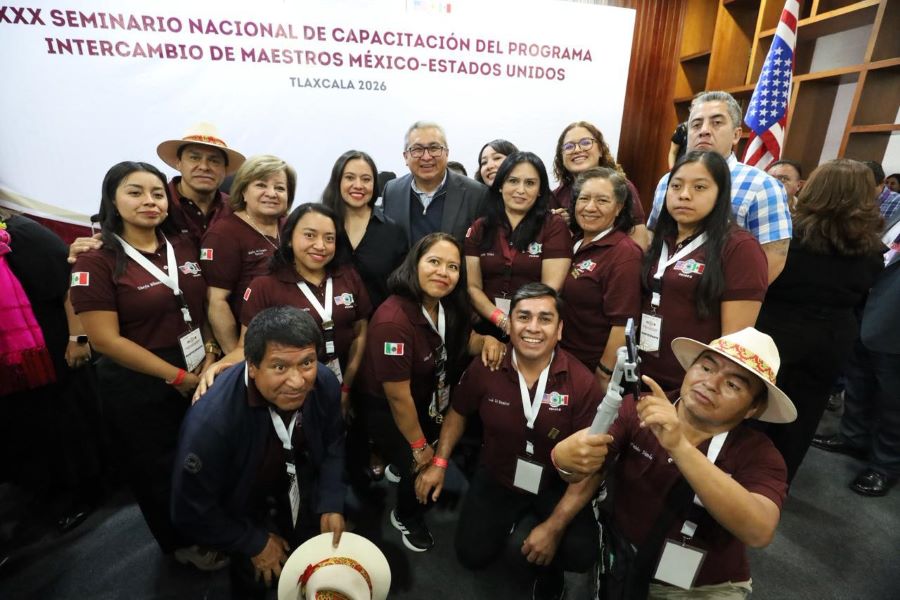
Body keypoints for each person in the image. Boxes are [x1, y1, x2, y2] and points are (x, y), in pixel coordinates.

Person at [553, 328, 798, 598]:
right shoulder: (640, 407)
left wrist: (680, 446)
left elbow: (758, 531)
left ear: (753, 409)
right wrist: (564, 459)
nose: (711, 383)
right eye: (706, 367)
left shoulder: (759, 454)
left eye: (733, 385)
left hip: (700, 584)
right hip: (621, 556)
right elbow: (583, 464)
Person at [69, 162, 220, 567]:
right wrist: (177, 377)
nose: (149, 202)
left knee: (199, 456)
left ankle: (210, 526)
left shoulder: (182, 245)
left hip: (194, 363)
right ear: (113, 200)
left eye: (156, 193)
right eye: (135, 192)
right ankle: (180, 544)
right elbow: (105, 339)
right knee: (158, 468)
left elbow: (200, 305)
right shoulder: (97, 259)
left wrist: (208, 351)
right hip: (137, 379)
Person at [416, 283, 601, 600]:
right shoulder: (486, 367)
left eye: (544, 319)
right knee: (471, 555)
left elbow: (594, 468)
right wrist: (440, 462)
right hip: (498, 474)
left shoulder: (583, 384)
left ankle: (542, 529)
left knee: (579, 553)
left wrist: (554, 527)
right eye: (523, 317)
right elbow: (458, 413)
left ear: (559, 330)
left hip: (556, 482)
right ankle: (518, 518)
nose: (532, 327)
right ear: (508, 324)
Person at [171, 307, 346, 597]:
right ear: (251, 366)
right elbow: (189, 509)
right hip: (240, 502)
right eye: (279, 367)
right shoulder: (210, 425)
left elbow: (334, 443)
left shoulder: (323, 381)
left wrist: (331, 499)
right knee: (258, 579)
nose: (298, 381)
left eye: (307, 362)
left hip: (296, 476)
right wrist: (251, 541)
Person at [357, 233, 504, 552]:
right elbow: (398, 398)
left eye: (453, 266)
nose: (443, 272)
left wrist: (489, 341)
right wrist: (420, 447)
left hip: (429, 395)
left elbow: (467, 341)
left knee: (427, 446)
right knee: (423, 462)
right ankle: (406, 516)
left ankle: (403, 462)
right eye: (434, 262)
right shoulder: (392, 321)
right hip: (389, 406)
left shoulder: (447, 305)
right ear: (415, 264)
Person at [755, 159, 884, 484]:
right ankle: (775, 486)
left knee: (753, 410)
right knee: (803, 418)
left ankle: (734, 484)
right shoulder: (872, 248)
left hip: (776, 335)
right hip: (832, 342)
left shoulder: (789, 239)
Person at [211, 203, 371, 420]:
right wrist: (220, 366)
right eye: (309, 235)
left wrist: (346, 389)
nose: (320, 245)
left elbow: (360, 333)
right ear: (288, 238)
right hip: (289, 389)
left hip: (343, 384)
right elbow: (246, 347)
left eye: (329, 238)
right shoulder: (264, 286)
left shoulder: (348, 276)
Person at [639, 151, 768, 391]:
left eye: (699, 187)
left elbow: (733, 344)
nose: (684, 195)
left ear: (720, 194)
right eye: (676, 186)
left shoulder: (740, 248)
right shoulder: (662, 239)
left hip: (692, 386)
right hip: (642, 373)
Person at [648, 91, 792, 283]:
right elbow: (654, 236)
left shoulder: (762, 185)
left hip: (717, 304)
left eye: (716, 123)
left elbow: (773, 258)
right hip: (662, 296)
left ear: (736, 135)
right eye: (696, 124)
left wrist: (730, 303)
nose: (704, 130)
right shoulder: (667, 182)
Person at [812, 206, 900, 497]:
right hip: (867, 313)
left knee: (893, 402)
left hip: (894, 324)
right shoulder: (896, 218)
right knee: (859, 382)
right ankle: (853, 437)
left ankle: (885, 465)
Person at [66, 122, 246, 261]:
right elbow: (114, 239)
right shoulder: (153, 204)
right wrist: (91, 247)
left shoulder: (238, 208)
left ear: (225, 169)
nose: (204, 167)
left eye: (214, 161)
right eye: (194, 158)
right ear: (179, 163)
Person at [465, 151, 572, 339]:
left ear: (540, 190)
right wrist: (503, 320)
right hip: (487, 325)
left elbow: (550, 289)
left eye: (530, 183)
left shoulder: (553, 226)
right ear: (500, 186)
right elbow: (473, 286)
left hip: (534, 327)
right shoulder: (480, 227)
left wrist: (520, 322)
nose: (520, 190)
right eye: (513, 181)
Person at [202, 155, 297, 354]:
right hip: (253, 344)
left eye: (280, 188)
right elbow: (216, 301)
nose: (271, 193)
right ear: (244, 190)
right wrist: (237, 356)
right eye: (261, 185)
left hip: (293, 336)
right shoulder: (223, 234)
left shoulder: (291, 225)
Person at [560, 167, 642, 393]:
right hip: (565, 360)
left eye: (602, 200)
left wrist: (604, 372)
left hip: (592, 369)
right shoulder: (574, 242)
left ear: (619, 207)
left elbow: (623, 324)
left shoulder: (624, 253)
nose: (590, 207)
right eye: (583, 198)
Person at [322, 150, 407, 310]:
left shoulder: (393, 232)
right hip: (329, 327)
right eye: (349, 177)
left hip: (380, 326)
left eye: (366, 179)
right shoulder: (321, 227)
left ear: (375, 184)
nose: (358, 185)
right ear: (337, 180)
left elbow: (401, 289)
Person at [381, 120, 489, 246]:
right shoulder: (392, 191)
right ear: (406, 157)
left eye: (434, 148)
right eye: (417, 149)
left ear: (446, 153)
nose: (426, 157)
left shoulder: (476, 194)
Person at [550, 121, 649, 248]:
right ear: (561, 156)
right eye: (569, 146)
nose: (578, 150)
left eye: (586, 143)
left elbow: (639, 240)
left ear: (601, 150)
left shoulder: (621, 187)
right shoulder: (557, 195)